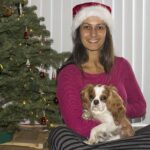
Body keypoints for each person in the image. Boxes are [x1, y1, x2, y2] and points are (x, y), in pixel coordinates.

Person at [48, 2, 150, 150]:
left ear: (106, 32)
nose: (93, 33)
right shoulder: (69, 73)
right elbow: (78, 125)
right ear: (78, 33)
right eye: (87, 27)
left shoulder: (121, 65)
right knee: (59, 134)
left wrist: (113, 109)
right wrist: (112, 123)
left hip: (122, 135)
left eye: (100, 27)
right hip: (87, 138)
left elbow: (140, 106)